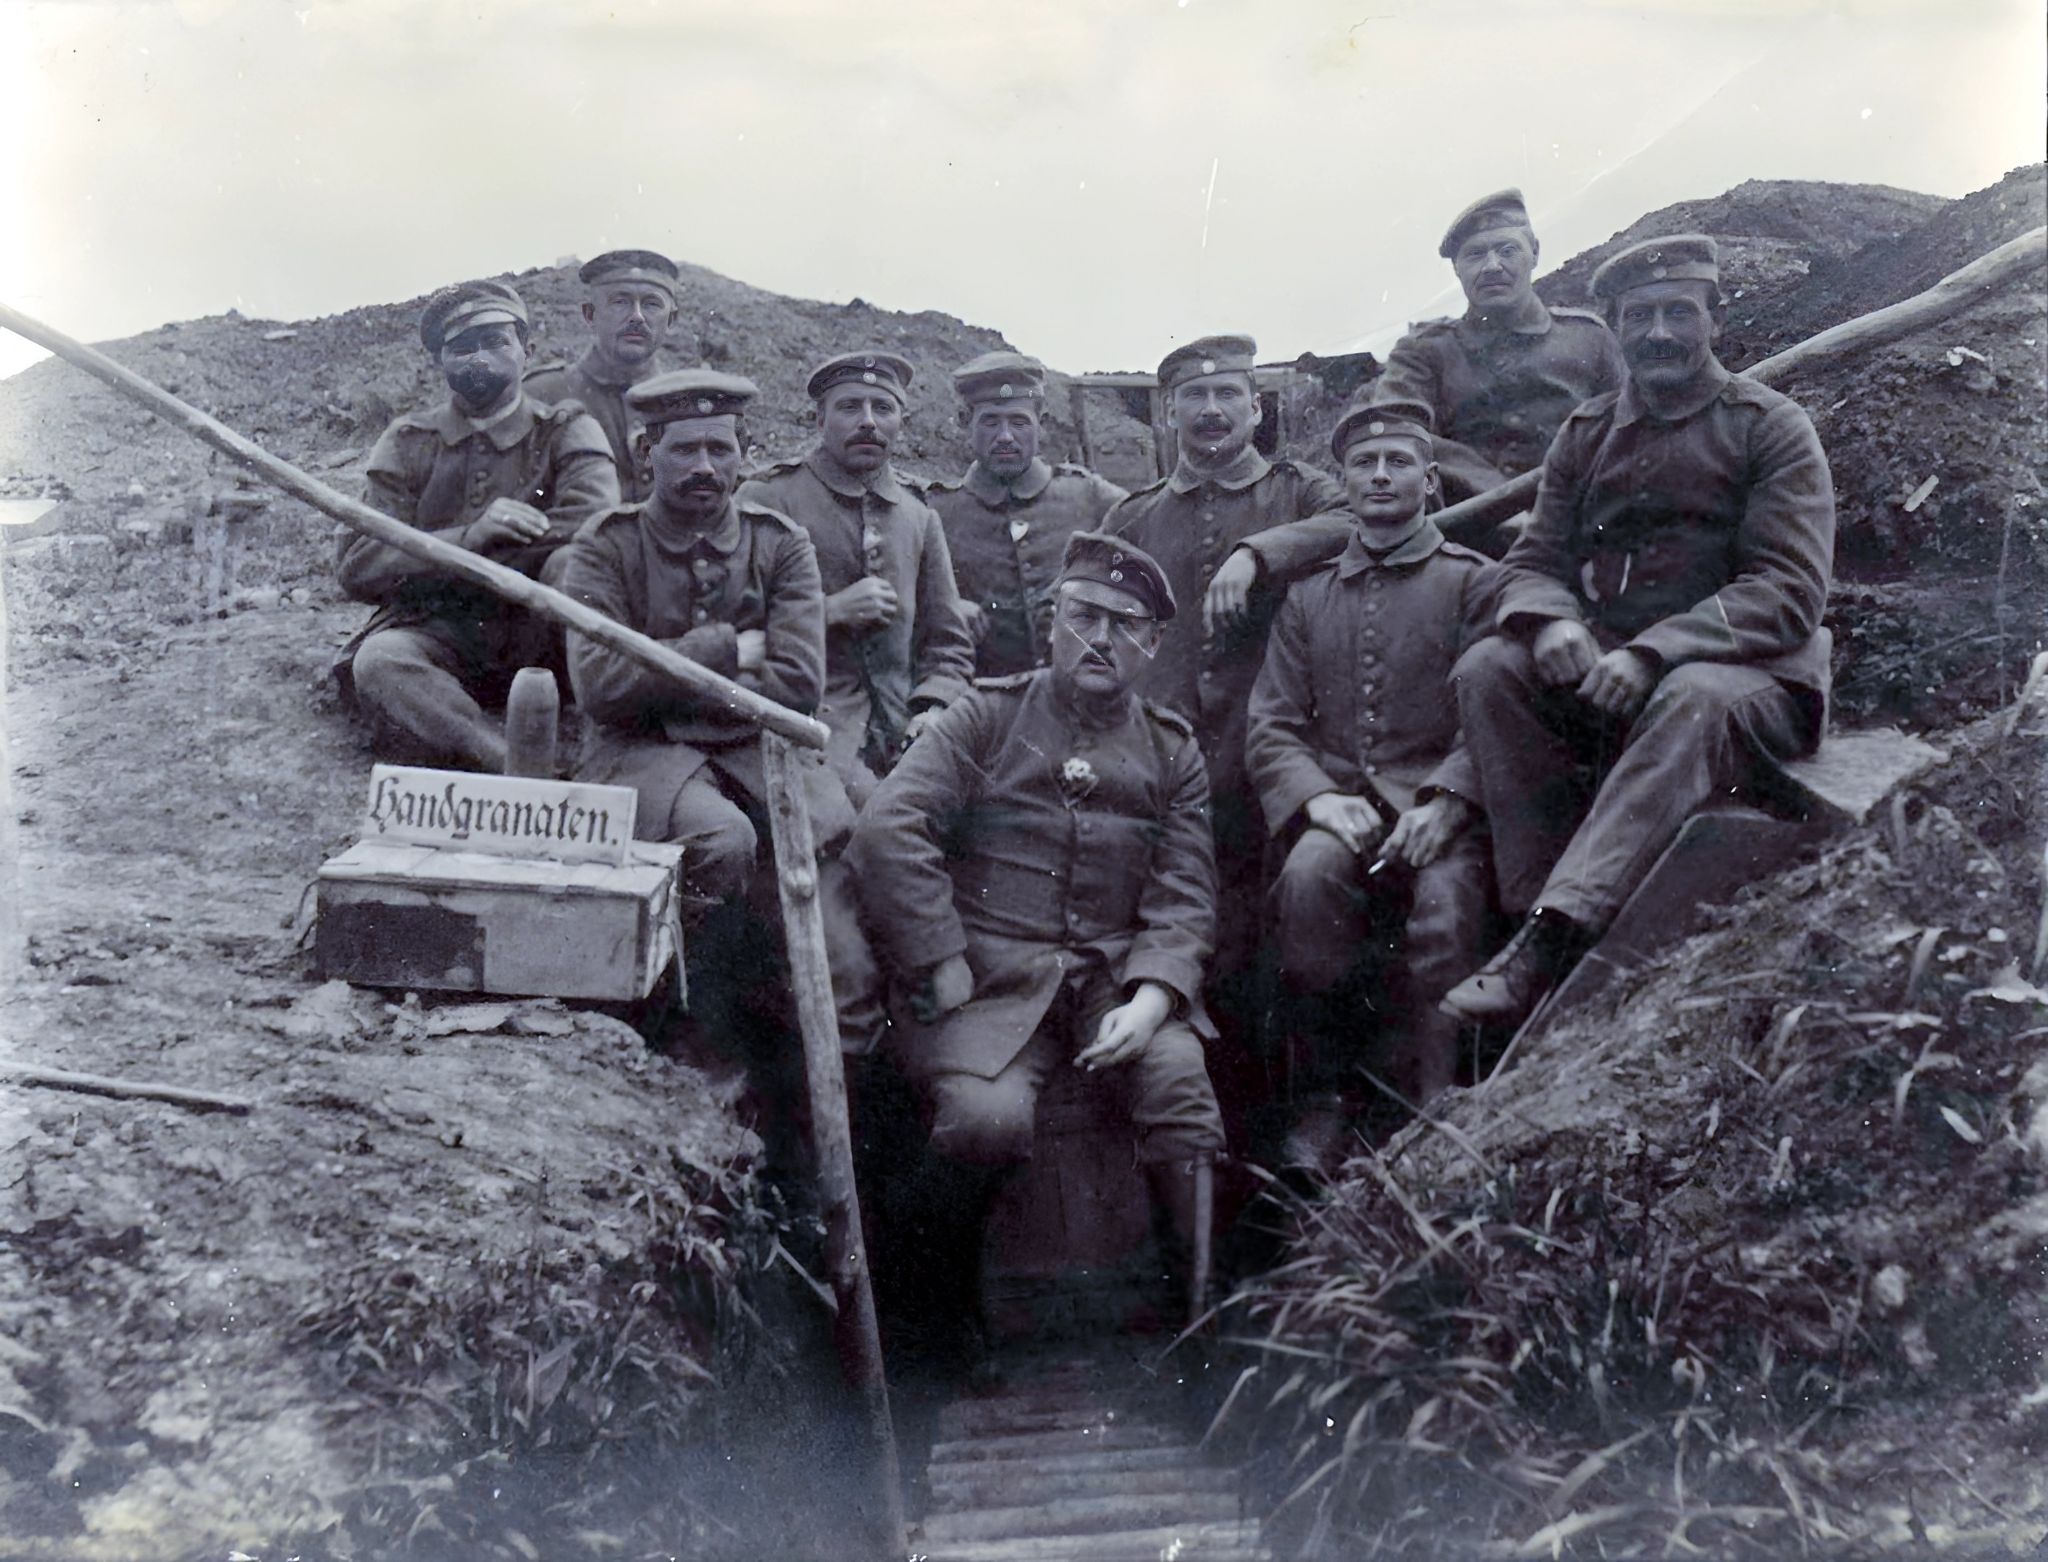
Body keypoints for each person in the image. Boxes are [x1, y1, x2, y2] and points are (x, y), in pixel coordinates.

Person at [846, 532, 1225, 1366]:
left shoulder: (1173, 749)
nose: (1102, 638)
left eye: (1126, 625)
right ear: (1053, 622)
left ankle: (1195, 1330)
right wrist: (938, 953)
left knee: (1181, 1091)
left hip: (1116, 982)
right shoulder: (984, 716)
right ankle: (942, 1316)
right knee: (984, 1121)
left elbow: (1184, 892)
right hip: (987, 980)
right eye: (1085, 615)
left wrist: (1154, 997)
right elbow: (888, 829)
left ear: (1154, 645)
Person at [1439, 235, 1835, 1030]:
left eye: (1678, 313)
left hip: (1748, 678)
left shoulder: (1771, 428)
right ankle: (1530, 908)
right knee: (1490, 667)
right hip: (1617, 677)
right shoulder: (1587, 434)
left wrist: (1655, 649)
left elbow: (1790, 591)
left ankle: (1551, 942)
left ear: (1715, 319)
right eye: (1640, 317)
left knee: (1690, 695)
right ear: (1617, 329)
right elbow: (1532, 560)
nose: (1658, 333)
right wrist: (1550, 621)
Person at [1104, 335, 1342, 1074]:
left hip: (1267, 754)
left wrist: (1259, 551)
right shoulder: (1135, 516)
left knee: (1274, 936)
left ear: (1255, 406)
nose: (1211, 412)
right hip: (1161, 759)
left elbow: (1355, 520)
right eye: (1194, 399)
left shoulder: (1299, 493)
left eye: (1227, 395)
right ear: (1169, 412)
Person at [1206, 188, 1624, 608]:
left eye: (1506, 250)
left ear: (1534, 253)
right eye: (1475, 255)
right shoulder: (1427, 351)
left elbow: (1622, 436)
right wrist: (1505, 502)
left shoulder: (1588, 338)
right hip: (1466, 539)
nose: (1492, 266)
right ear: (1457, 269)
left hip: (1578, 533)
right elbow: (1397, 433)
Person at [337, 279, 619, 771]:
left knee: (575, 566)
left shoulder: (567, 430)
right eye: (462, 347)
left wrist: (466, 555)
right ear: (439, 361)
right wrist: (470, 537)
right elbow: (358, 562)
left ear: (526, 351)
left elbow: (595, 527)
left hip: (545, 634)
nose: (479, 358)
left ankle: (606, 745)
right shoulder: (407, 442)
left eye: (495, 341)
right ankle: (509, 763)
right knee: (379, 660)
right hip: (440, 633)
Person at [736, 351, 974, 803]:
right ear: (819, 418)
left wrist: (933, 707)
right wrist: (827, 612)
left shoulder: (917, 513)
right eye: (850, 407)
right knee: (882, 823)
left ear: (901, 421)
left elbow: (948, 643)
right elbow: (732, 629)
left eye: (882, 408)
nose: (868, 421)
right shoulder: (767, 497)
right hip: (807, 732)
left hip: (902, 730)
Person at [922, 351, 1127, 677]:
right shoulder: (935, 512)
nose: (1005, 437)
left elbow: (1156, 536)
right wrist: (945, 610)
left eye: (1019, 422)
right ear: (965, 422)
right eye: (990, 422)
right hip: (979, 700)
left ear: (1041, 425)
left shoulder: (1088, 496)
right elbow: (899, 593)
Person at [524, 249, 681, 502]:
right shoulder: (540, 396)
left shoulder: (690, 400)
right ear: (590, 314)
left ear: (671, 320)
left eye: (652, 304)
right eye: (620, 302)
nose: (637, 316)